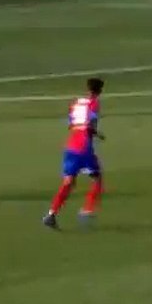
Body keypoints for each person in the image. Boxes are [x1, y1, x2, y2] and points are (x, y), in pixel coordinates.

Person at [43, 78, 106, 229]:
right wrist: (96, 133)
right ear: (100, 91)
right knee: (97, 178)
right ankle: (88, 209)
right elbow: (90, 124)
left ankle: (51, 214)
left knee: (69, 182)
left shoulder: (77, 102)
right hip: (84, 146)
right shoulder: (94, 104)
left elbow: (71, 123)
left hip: (71, 146)